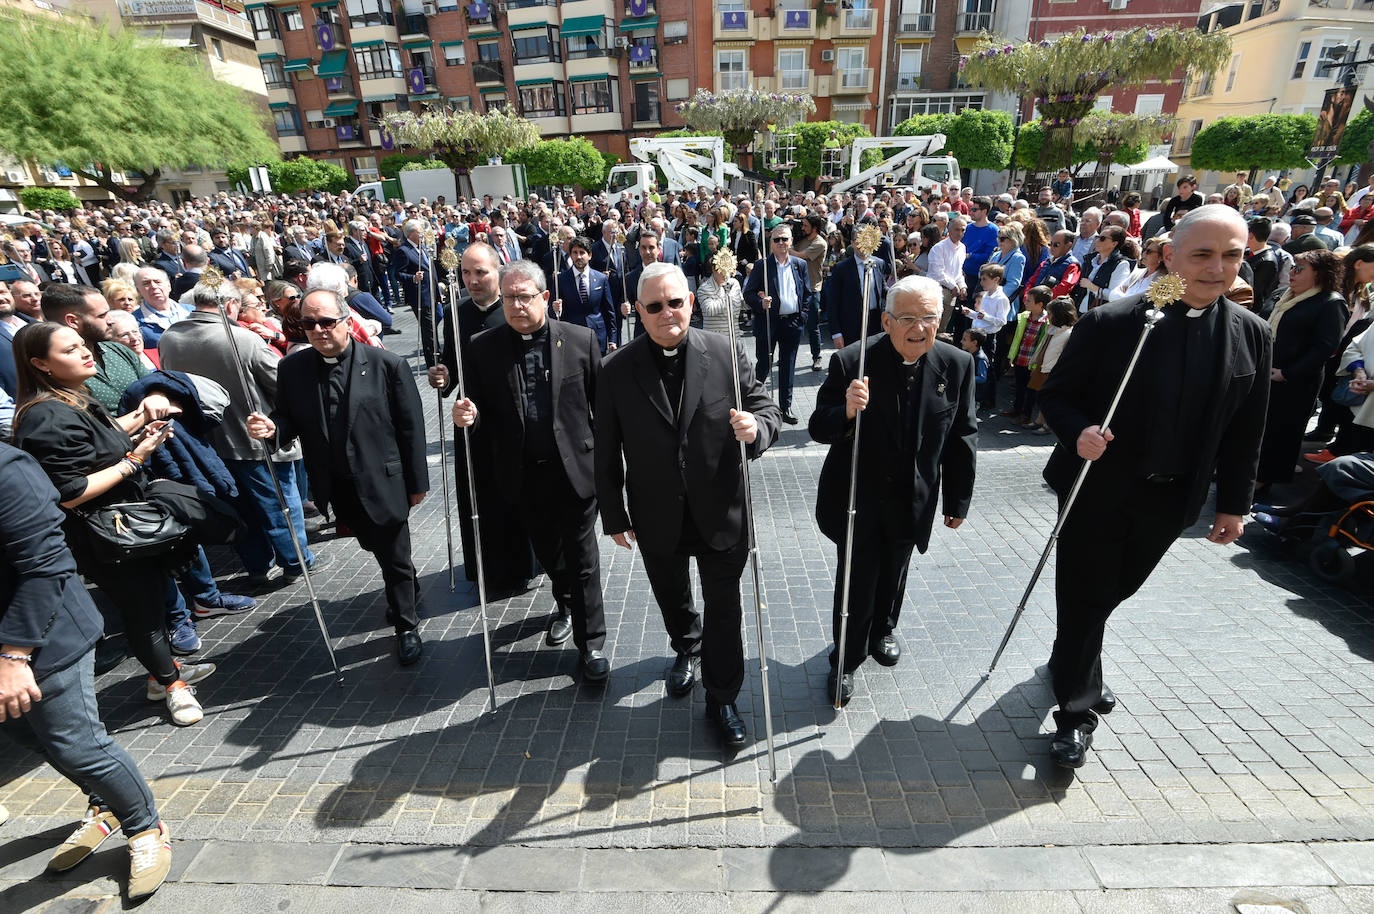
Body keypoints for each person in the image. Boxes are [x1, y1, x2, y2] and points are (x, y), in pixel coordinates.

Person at [1036, 205, 1272, 771]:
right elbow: (1057, 397)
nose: (1219, 270)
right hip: (1098, 489)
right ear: (1170, 257)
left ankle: (1072, 660)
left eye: (1233, 255)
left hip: (1172, 501)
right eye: (1203, 255)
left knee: (1112, 593)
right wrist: (1080, 433)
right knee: (1087, 594)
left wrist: (1236, 505)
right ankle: (1075, 711)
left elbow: (1248, 428)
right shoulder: (1115, 322)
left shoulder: (1253, 334)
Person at [595, 262, 781, 751]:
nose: (666, 313)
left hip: (721, 508)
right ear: (639, 312)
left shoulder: (723, 352)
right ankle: (686, 648)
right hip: (656, 512)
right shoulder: (616, 370)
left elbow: (766, 408)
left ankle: (722, 697)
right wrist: (613, 514)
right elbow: (605, 448)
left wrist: (756, 431)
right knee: (673, 597)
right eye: (654, 306)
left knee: (725, 608)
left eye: (675, 302)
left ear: (691, 303)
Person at [10, 322, 213, 726]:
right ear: (40, 364)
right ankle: (171, 687)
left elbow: (102, 435)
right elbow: (69, 490)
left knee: (153, 603)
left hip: (127, 524)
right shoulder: (45, 416)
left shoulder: (72, 397)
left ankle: (162, 675)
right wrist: (136, 459)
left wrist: (141, 417)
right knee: (142, 612)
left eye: (81, 345)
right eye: (70, 350)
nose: (86, 352)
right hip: (105, 537)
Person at [0, 442, 174, 901]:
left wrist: (13, 657)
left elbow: (46, 565)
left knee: (78, 744)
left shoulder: (7, 467)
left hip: (42, 638)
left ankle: (144, 825)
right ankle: (106, 804)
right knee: (31, 738)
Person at [809, 275, 976, 703]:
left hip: (913, 497)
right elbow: (818, 427)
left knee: (896, 569)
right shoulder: (851, 361)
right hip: (857, 499)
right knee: (857, 577)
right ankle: (845, 658)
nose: (919, 328)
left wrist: (958, 498)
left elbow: (963, 434)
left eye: (929, 318)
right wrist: (845, 410)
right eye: (908, 318)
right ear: (886, 320)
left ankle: (884, 628)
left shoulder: (956, 364)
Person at [247, 287, 429, 666]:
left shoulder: (387, 365)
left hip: (383, 479)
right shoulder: (292, 368)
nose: (318, 330)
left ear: (346, 322)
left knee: (394, 555)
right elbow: (288, 418)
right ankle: (406, 582)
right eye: (309, 323)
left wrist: (417, 483)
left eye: (327, 322)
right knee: (375, 546)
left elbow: (411, 429)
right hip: (337, 484)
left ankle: (407, 625)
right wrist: (271, 428)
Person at [449, 261, 609, 680]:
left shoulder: (580, 340)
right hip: (521, 474)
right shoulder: (483, 347)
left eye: (525, 296)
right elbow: (478, 410)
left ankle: (591, 645)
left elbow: (603, 409)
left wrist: (611, 469)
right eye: (509, 297)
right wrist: (468, 416)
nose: (516, 305)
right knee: (550, 553)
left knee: (583, 556)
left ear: (544, 297)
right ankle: (566, 600)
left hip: (574, 469)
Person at [157, 280, 318, 586]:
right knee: (280, 505)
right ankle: (296, 561)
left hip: (207, 444)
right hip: (255, 440)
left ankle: (257, 564)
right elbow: (281, 383)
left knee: (239, 510)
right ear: (230, 305)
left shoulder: (170, 338)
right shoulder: (242, 339)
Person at [429, 242, 538, 595]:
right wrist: (443, 376)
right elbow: (452, 362)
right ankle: (485, 565)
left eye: (481, 272)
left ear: (498, 271)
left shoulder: (514, 310)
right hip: (472, 421)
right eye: (466, 273)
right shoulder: (457, 311)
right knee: (479, 495)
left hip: (511, 419)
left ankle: (525, 563)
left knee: (516, 494)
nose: (472, 280)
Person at [1256, 249, 1346, 491]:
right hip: (1264, 373)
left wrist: (1287, 373)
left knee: (1281, 430)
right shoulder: (1281, 295)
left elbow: (1325, 348)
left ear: (1319, 274)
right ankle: (1246, 471)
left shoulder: (1330, 303)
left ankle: (1265, 478)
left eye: (1299, 268)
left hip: (1294, 381)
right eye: (1292, 267)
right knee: (1256, 427)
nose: (1292, 273)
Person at [743, 223, 810, 425]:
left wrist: (803, 316)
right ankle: (752, 401)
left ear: (791, 241)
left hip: (792, 322)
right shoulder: (762, 266)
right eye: (777, 239)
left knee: (788, 366)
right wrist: (760, 303)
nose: (781, 242)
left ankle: (785, 406)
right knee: (764, 364)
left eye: (785, 239)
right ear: (770, 242)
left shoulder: (800, 264)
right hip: (768, 322)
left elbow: (806, 292)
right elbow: (748, 293)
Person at [552, 235, 618, 354]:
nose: (578, 257)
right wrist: (556, 309)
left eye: (582, 252)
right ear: (571, 255)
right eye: (575, 253)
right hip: (572, 337)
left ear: (590, 255)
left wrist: (612, 339)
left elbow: (609, 311)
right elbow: (553, 314)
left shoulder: (601, 279)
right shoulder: (560, 280)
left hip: (598, 337)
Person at [961, 263, 1010, 410]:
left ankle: (988, 400)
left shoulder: (1001, 298)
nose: (981, 283)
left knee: (987, 369)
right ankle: (975, 397)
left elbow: (1001, 321)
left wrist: (986, 316)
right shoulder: (987, 295)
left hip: (988, 337)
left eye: (984, 279)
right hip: (978, 332)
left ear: (996, 280)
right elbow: (981, 315)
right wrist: (970, 313)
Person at [695, 254, 744, 337]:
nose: (726, 273)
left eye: (728, 268)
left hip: (734, 338)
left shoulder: (734, 283)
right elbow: (709, 309)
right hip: (715, 339)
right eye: (722, 269)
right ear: (714, 269)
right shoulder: (704, 288)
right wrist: (729, 296)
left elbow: (741, 305)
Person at [1108, 235, 1168, 302]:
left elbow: (1140, 305)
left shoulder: (1163, 282)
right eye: (1144, 250)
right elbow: (1112, 295)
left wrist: (1124, 295)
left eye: (1149, 251)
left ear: (1161, 257)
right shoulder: (1137, 273)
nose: (1144, 254)